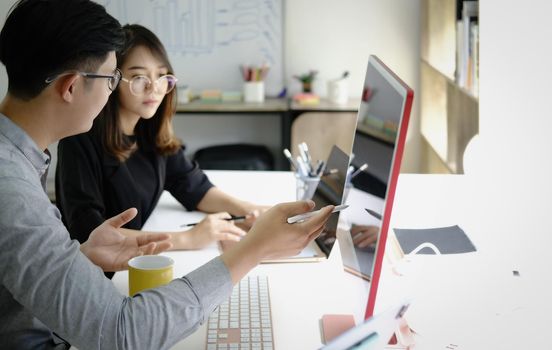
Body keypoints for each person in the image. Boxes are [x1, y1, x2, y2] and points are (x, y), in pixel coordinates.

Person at [0, 0, 334, 349]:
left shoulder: (20, 160)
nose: (116, 90)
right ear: (70, 87)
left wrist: (77, 258)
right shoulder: (13, 191)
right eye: (113, 78)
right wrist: (253, 249)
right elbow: (123, 333)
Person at [56, 24, 266, 251]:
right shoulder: (79, 141)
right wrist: (187, 239)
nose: (154, 87)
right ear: (113, 81)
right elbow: (90, 233)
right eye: (139, 77)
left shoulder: (151, 132)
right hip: (103, 273)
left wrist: (249, 210)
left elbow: (193, 186)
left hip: (140, 259)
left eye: (161, 75)